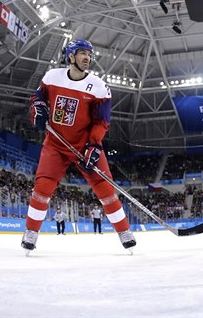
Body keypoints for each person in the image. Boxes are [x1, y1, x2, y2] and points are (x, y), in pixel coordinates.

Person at [20, 38, 135, 252]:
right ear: (70, 56)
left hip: (85, 146)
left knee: (106, 190)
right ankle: (31, 232)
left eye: (89, 54)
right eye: (82, 53)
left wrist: (94, 145)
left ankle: (123, 231)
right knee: (42, 187)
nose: (87, 58)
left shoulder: (99, 87)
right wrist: (36, 108)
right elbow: (37, 98)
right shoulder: (52, 77)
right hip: (55, 144)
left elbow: (102, 122)